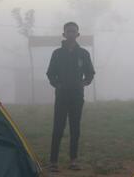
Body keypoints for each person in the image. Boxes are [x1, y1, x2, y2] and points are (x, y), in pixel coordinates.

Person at [46, 21, 95, 172]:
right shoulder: (57, 53)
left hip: (77, 97)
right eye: (68, 31)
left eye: (74, 31)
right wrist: (57, 85)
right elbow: (50, 73)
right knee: (58, 127)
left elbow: (90, 73)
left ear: (78, 34)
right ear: (64, 34)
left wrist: (84, 83)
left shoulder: (84, 54)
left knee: (75, 128)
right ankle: (53, 162)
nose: (71, 34)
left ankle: (73, 160)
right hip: (61, 96)